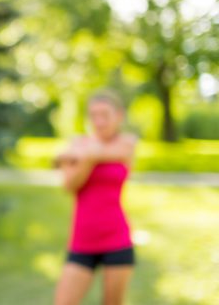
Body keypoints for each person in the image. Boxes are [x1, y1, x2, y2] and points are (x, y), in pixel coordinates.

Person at [54, 91, 137, 305]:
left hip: (117, 238)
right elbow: (69, 185)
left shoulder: (126, 142)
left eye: (105, 115)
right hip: (82, 239)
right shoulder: (78, 144)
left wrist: (81, 155)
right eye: (94, 115)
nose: (99, 121)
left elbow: (121, 152)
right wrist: (88, 160)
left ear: (119, 115)